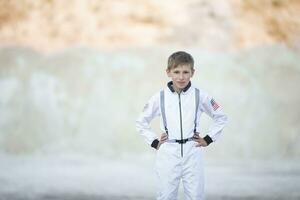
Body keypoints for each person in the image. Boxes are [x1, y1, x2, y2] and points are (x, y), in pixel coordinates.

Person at [136, 51, 227, 200]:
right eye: (176, 72)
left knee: (196, 196)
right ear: (168, 72)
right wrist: (154, 142)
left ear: (193, 72)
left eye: (186, 72)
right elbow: (141, 122)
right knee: (165, 196)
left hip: (193, 152)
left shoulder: (200, 95)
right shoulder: (159, 97)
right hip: (168, 154)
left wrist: (208, 139)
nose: (181, 77)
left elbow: (221, 117)